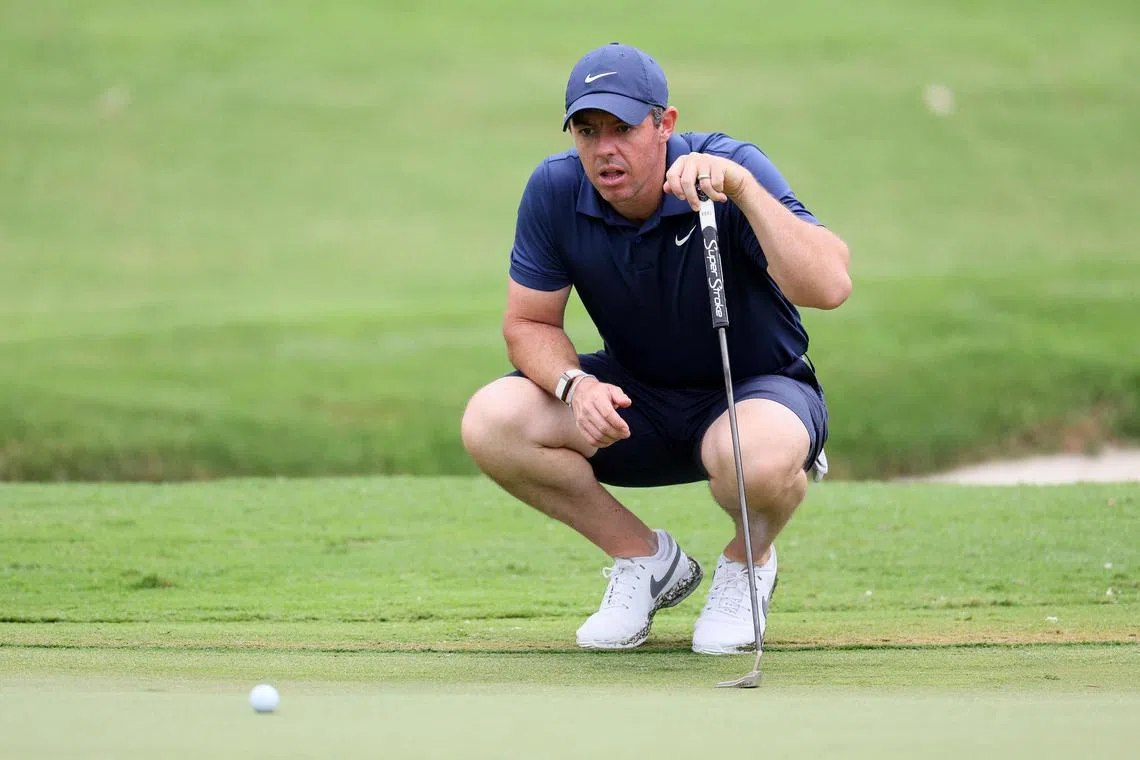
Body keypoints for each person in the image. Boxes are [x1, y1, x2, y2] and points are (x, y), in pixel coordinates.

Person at [461, 43, 851, 654]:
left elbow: (830, 286)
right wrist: (576, 385)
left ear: (664, 124)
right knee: (492, 419)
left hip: (753, 389)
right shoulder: (555, 190)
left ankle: (747, 566)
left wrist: (744, 190)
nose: (603, 149)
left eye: (622, 129)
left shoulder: (729, 166)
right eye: (587, 132)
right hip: (635, 397)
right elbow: (528, 324)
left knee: (759, 454)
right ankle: (645, 561)